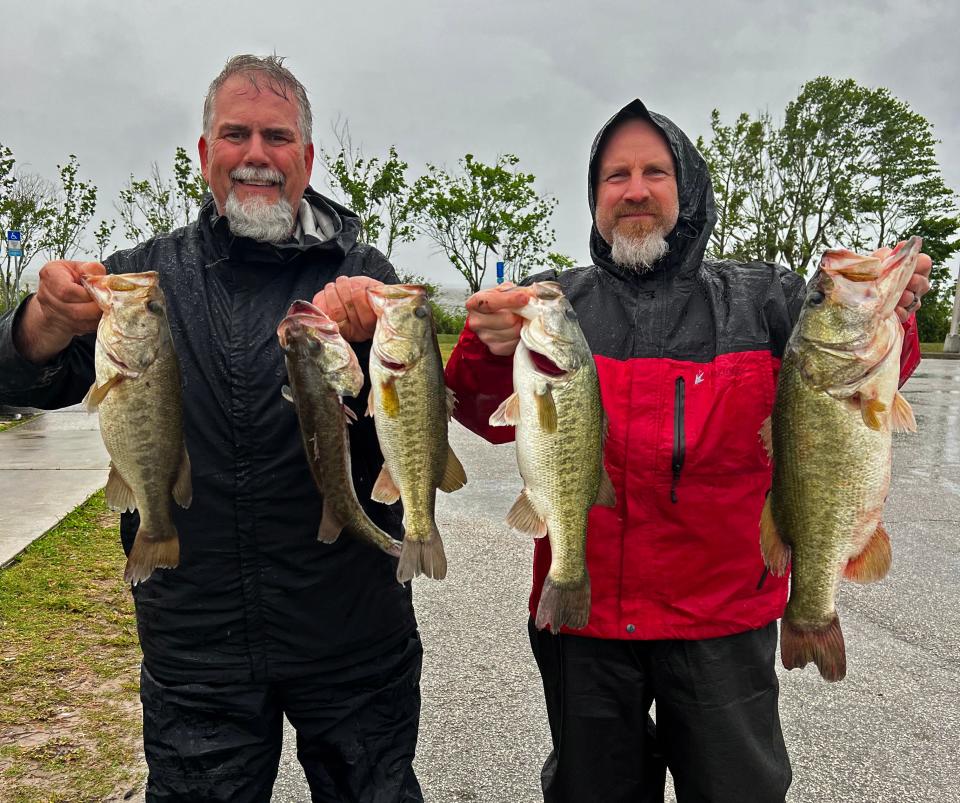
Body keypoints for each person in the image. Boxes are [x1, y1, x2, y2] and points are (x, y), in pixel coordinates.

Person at [443, 99, 931, 803]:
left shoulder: (765, 299)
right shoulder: (556, 303)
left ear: (689, 188)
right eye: (615, 175)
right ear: (595, 196)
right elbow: (488, 417)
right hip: (586, 622)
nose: (634, 189)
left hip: (721, 625)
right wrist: (483, 347)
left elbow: (854, 382)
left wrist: (896, 315)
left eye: (654, 171)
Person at [0, 55, 422, 802]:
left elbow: (409, 410)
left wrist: (368, 335)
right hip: (197, 649)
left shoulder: (360, 273)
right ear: (203, 154)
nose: (256, 155)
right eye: (235, 134)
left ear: (307, 158)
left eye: (276, 136)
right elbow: (21, 378)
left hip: (352, 638)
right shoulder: (143, 280)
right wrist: (39, 324)